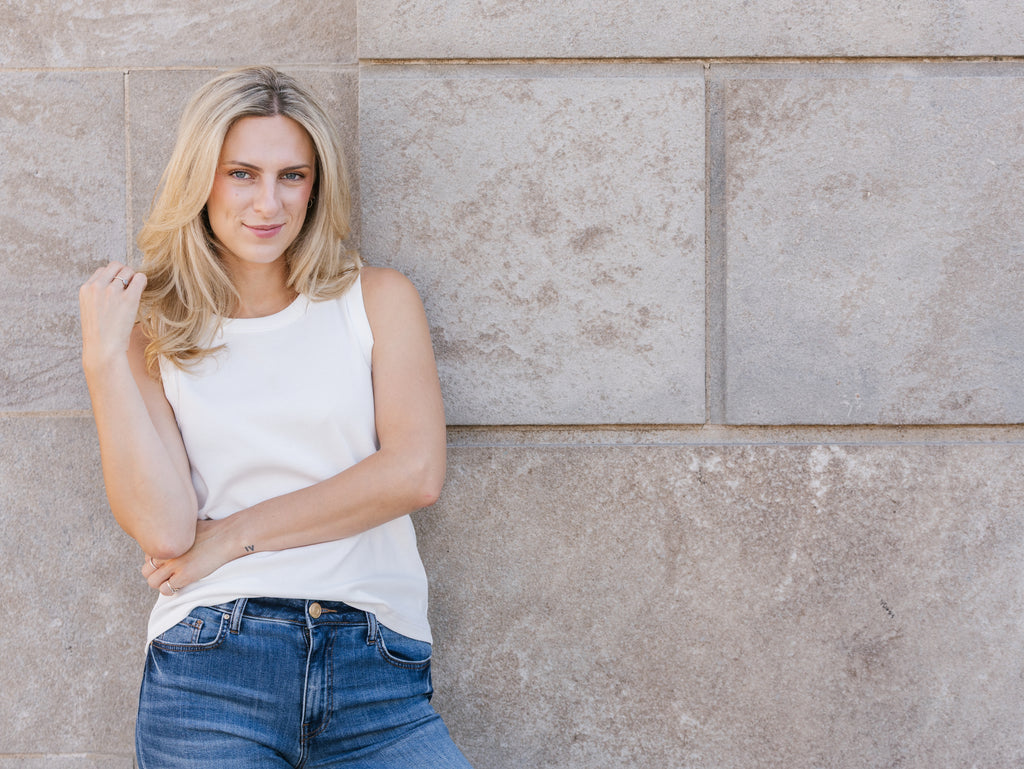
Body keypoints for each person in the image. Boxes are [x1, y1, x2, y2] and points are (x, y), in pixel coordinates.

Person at [78, 66, 473, 768]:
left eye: (292, 176)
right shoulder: (156, 330)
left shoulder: (377, 300)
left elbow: (415, 473)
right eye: (242, 174)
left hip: (376, 670)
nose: (269, 202)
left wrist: (233, 537)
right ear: (200, 180)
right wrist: (104, 360)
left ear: (316, 186)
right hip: (214, 665)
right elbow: (166, 531)